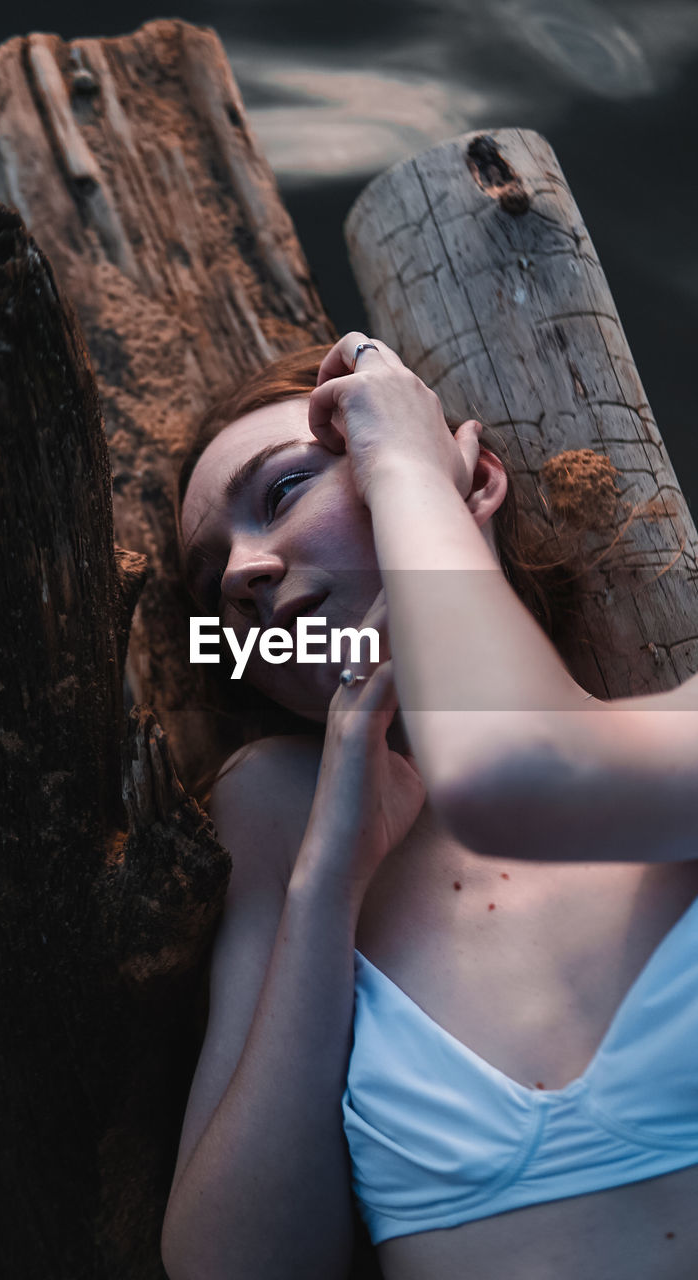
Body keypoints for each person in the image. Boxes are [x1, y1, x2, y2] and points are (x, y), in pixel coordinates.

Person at [160, 332, 698, 1280]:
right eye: (214, 583)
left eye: (283, 490)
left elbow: (516, 777)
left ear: (472, 483)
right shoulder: (285, 837)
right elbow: (234, 1266)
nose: (243, 573)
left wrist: (406, 456)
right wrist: (324, 883)